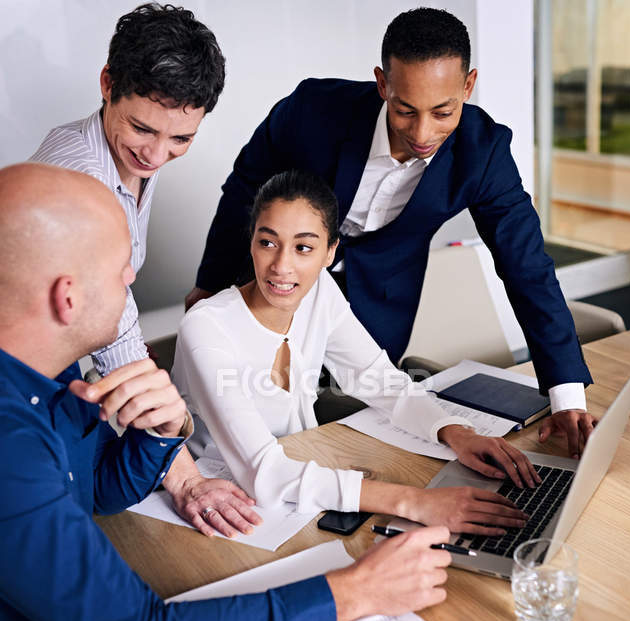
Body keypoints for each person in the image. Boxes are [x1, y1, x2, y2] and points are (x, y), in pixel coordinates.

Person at [0, 162, 453, 621]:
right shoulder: (11, 451)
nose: (132, 277)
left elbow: (97, 488)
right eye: (120, 269)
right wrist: (352, 593)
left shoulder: (56, 373)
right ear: (67, 297)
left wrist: (161, 433)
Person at [186, 8, 597, 460]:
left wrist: (566, 395)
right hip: (277, 284)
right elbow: (245, 188)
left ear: (468, 85)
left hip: (380, 301)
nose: (424, 133)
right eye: (405, 110)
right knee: (258, 424)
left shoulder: (484, 152)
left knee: (372, 430)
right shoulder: (313, 111)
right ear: (383, 84)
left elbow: (528, 268)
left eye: (444, 112)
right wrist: (209, 284)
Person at [174, 170, 539, 536]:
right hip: (223, 506)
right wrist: (412, 502)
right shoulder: (207, 326)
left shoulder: (320, 294)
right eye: (268, 242)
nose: (282, 266)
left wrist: (455, 433)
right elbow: (262, 470)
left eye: (303, 247)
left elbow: (377, 378)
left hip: (306, 489)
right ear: (251, 241)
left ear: (330, 252)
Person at [29, 2, 256, 538]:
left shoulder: (125, 154)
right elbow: (116, 338)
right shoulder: (79, 179)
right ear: (108, 83)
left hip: (64, 365)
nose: (157, 154)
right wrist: (186, 480)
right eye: (143, 128)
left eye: (181, 139)